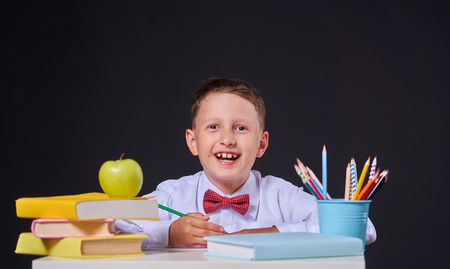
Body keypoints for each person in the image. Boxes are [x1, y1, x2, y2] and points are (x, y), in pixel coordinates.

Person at [115, 78, 377, 248]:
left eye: (240, 128)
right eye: (213, 126)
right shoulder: (172, 195)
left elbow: (362, 229)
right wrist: (168, 234)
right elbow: (113, 222)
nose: (227, 139)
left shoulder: (281, 196)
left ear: (261, 144)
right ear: (192, 142)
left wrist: (273, 235)